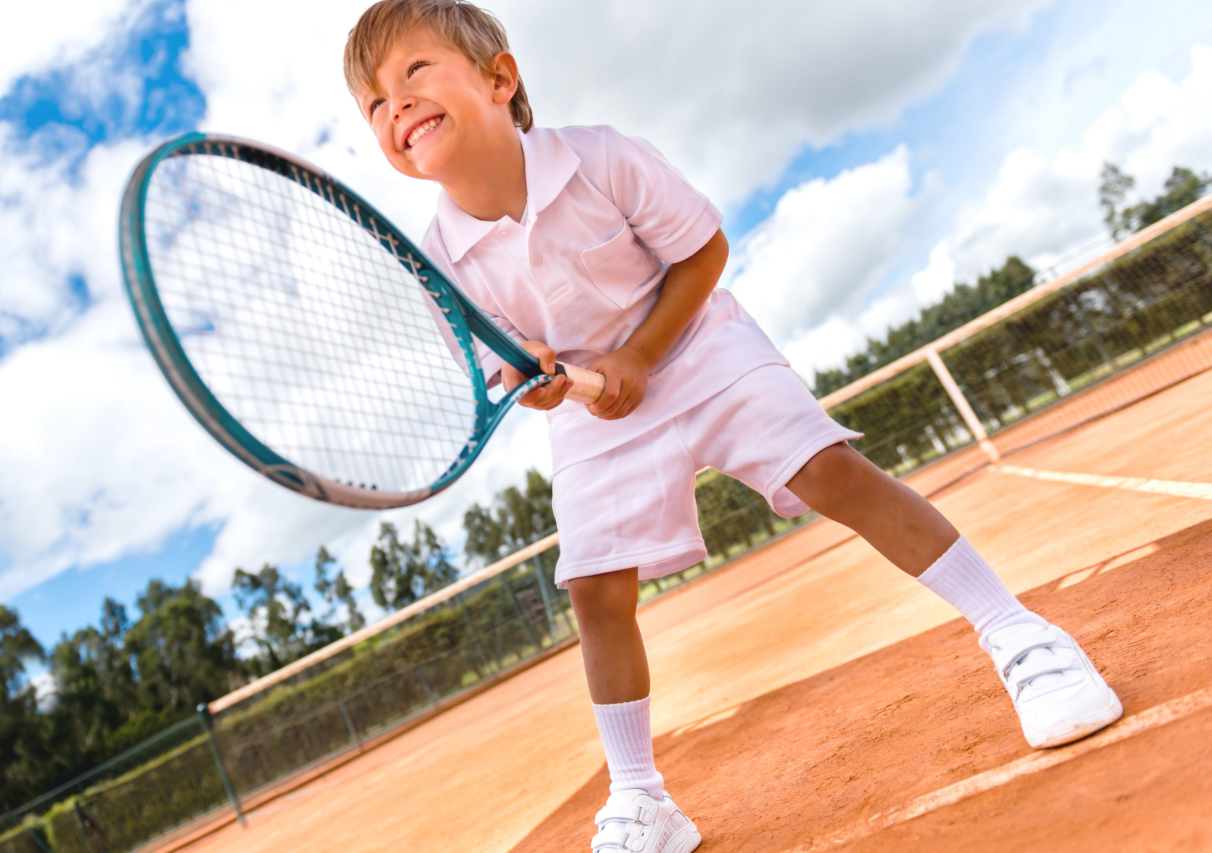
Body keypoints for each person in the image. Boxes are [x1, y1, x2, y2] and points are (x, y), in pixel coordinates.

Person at [343, 3, 1123, 850]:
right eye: (375, 104)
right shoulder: (441, 262)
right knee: (597, 592)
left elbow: (702, 250)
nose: (397, 106)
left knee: (828, 470)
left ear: (500, 78)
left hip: (699, 346)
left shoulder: (604, 156)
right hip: (593, 418)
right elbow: (501, 366)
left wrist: (638, 356)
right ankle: (643, 797)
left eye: (413, 73)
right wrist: (534, 376)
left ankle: (1022, 633)